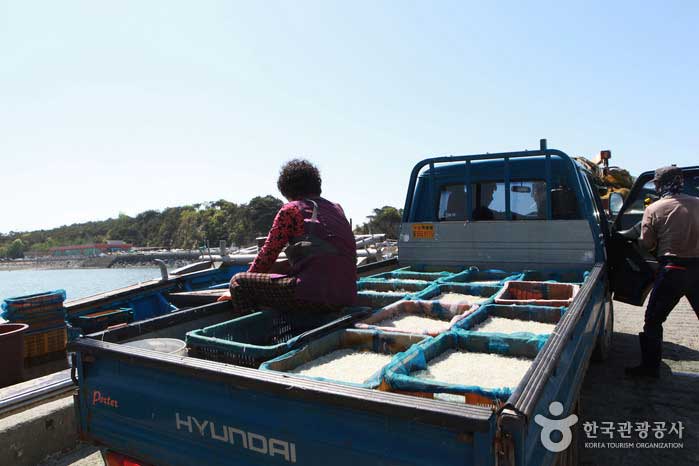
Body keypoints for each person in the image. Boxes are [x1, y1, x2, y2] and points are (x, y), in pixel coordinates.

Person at [220, 159, 357, 313]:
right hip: (347, 294)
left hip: (317, 295)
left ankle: (261, 335)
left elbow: (267, 255)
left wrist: (232, 290)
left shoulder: (291, 210)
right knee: (285, 270)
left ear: (287, 190)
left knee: (238, 282)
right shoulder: (336, 208)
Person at [625, 165, 699, 378]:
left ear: (660, 185)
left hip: (673, 270)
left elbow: (647, 244)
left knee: (654, 320)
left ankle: (649, 369)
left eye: (656, 184)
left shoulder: (654, 209)